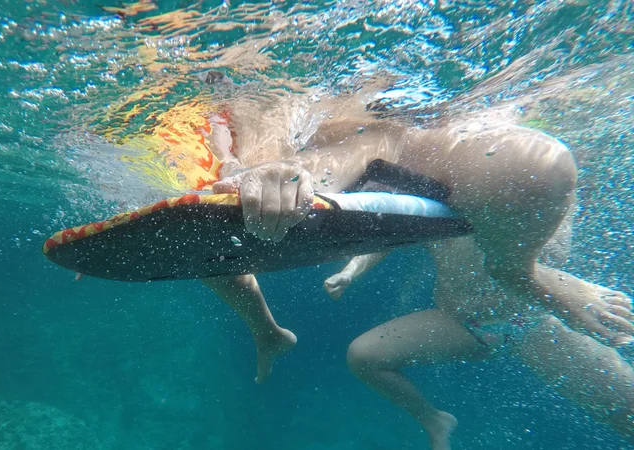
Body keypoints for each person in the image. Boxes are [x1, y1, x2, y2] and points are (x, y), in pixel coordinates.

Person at [197, 85, 634, 449]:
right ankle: (434, 419)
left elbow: (539, 167)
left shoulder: (472, 155)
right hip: (464, 320)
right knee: (363, 357)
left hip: (539, 318)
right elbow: (393, 225)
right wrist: (351, 270)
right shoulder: (415, 177)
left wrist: (530, 279)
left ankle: (533, 281)